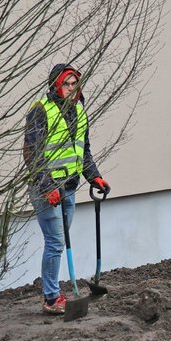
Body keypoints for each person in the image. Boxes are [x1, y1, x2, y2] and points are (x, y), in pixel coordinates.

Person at [24, 64, 110, 315]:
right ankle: (51, 298)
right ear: (55, 85)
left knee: (59, 243)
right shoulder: (41, 110)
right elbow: (33, 153)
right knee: (55, 241)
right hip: (47, 189)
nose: (70, 89)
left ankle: (55, 292)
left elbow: (83, 149)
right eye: (65, 84)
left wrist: (94, 177)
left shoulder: (79, 110)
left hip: (69, 187)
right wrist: (46, 185)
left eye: (74, 84)